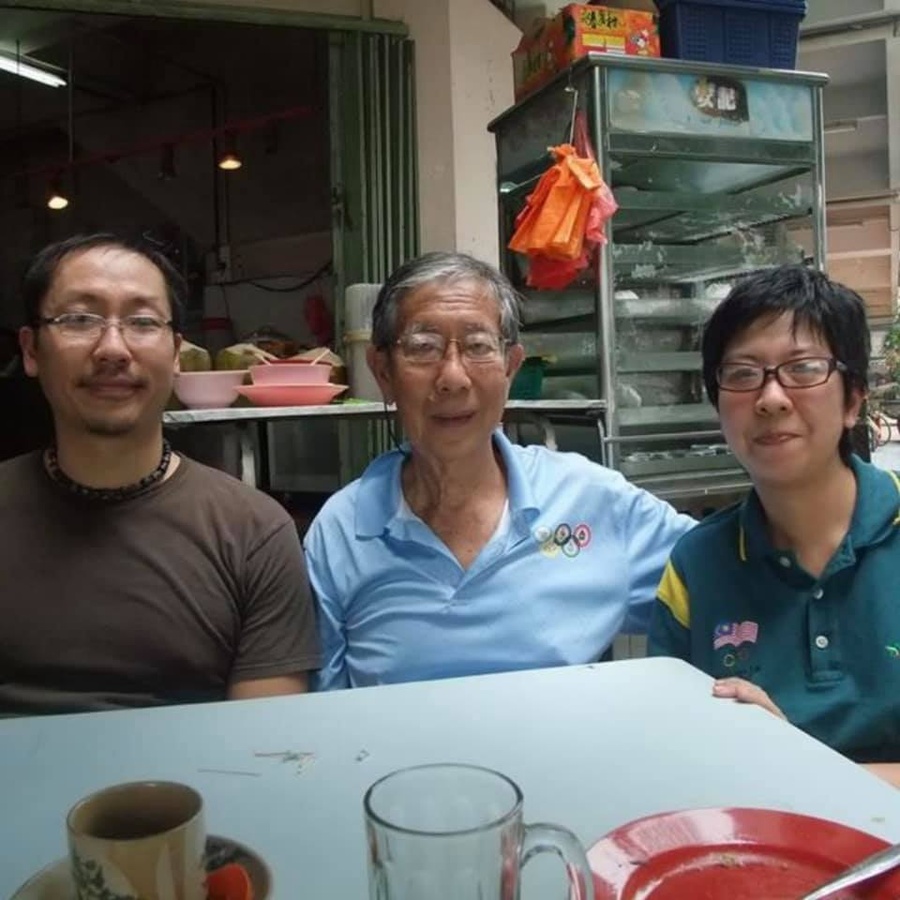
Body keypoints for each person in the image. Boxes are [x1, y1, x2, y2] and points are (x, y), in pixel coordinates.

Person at [304, 251, 694, 689]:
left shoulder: (589, 498)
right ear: (383, 372)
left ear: (511, 367)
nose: (453, 377)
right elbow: (321, 714)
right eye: (423, 348)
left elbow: (733, 584)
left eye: (478, 347)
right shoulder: (340, 532)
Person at [0, 233, 319, 715]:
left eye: (142, 321)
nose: (112, 348)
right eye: (80, 319)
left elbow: (266, 747)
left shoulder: (254, 532)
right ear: (31, 350)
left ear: (175, 352)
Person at [648, 265, 900, 786]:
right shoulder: (696, 568)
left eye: (803, 369)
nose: (771, 398)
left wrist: (795, 766)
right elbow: (675, 755)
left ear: (854, 399)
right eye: (742, 373)